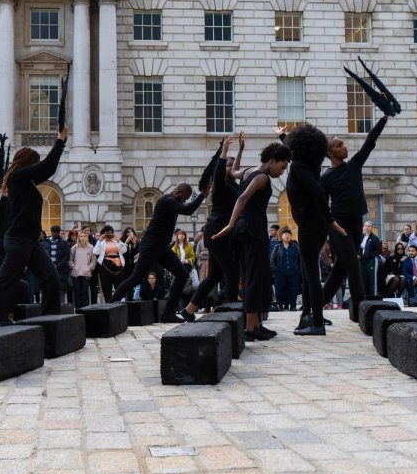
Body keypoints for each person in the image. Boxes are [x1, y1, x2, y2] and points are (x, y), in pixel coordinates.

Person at [0, 125, 68, 329]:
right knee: (3, 284)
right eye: (34, 164)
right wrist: (60, 141)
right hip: (18, 241)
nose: (36, 167)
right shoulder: (19, 176)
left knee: (51, 278)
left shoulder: (24, 179)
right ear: (28, 163)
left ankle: (49, 325)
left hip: (29, 241)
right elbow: (49, 167)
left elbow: (44, 169)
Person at [214, 142, 292, 341]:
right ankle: (250, 328)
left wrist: (239, 150)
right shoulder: (262, 178)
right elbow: (242, 199)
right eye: (282, 167)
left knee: (252, 275)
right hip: (252, 230)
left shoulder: (250, 172)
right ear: (272, 160)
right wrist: (230, 224)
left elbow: (234, 171)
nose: (282, 172)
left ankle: (256, 324)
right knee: (255, 278)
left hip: (245, 230)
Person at [319, 113, 389, 319]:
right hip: (338, 226)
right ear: (331, 152)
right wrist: (327, 233)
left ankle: (314, 308)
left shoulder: (354, 165)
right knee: (353, 265)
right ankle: (361, 313)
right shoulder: (326, 177)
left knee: (340, 272)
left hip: (356, 223)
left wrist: (383, 118)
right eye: (340, 145)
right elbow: (323, 207)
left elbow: (370, 140)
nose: (345, 147)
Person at [111, 182, 207, 322]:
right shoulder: (167, 200)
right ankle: (110, 303)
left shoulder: (172, 201)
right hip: (150, 246)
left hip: (162, 248)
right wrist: (203, 195)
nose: (185, 201)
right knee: (136, 278)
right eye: (185, 198)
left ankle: (168, 314)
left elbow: (185, 208)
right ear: (179, 193)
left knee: (182, 274)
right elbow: (188, 210)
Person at [281, 123, 342, 335]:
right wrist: (283, 137)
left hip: (310, 223)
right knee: (309, 273)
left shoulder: (298, 166)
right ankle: (308, 314)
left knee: (311, 274)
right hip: (318, 224)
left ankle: (315, 321)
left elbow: (317, 191)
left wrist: (331, 218)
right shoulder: (311, 166)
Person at [184, 134, 242, 318]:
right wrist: (224, 151)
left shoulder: (236, 186)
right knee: (232, 273)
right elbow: (219, 171)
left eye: (233, 165)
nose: (230, 167)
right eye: (227, 164)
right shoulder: (221, 185)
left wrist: (240, 149)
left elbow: (236, 169)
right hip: (217, 232)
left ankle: (189, 310)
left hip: (221, 233)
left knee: (215, 276)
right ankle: (232, 313)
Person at [270, 227, 301, 311]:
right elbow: (272, 260)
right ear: (281, 236)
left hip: (293, 272)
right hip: (280, 272)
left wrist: (298, 269)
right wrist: (275, 270)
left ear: (291, 236)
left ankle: (293, 306)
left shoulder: (295, 246)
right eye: (285, 234)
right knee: (279, 290)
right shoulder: (277, 246)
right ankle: (280, 305)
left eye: (289, 234)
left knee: (293, 289)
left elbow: (300, 258)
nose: (287, 236)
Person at [93, 225, 127, 302]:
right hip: (105, 266)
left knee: (119, 285)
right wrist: (99, 240)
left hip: (118, 265)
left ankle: (120, 302)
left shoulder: (116, 241)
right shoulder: (101, 242)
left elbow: (124, 250)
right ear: (103, 234)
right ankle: (108, 303)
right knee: (106, 286)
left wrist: (119, 240)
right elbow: (95, 252)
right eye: (106, 234)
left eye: (110, 233)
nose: (109, 235)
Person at [42, 226, 71, 304]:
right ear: (51, 232)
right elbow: (42, 256)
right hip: (48, 270)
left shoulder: (64, 243)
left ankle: (61, 309)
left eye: (56, 232)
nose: (55, 234)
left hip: (61, 271)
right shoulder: (45, 242)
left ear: (59, 233)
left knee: (61, 290)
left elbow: (66, 257)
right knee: (48, 289)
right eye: (53, 232)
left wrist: (57, 266)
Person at [69, 230, 96, 307]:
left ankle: (86, 309)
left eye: (84, 236)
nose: (83, 238)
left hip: (86, 273)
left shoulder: (91, 247)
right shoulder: (74, 248)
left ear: (87, 237)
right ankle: (77, 309)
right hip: (76, 273)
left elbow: (93, 261)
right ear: (79, 237)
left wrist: (89, 268)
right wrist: (73, 267)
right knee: (77, 292)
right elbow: (70, 260)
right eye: (81, 236)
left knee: (85, 292)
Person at [359, 222, 382, 296]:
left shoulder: (375, 238)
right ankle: (365, 297)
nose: (367, 227)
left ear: (371, 228)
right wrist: (358, 255)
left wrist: (369, 255)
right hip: (362, 261)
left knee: (372, 279)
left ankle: (373, 296)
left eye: (368, 226)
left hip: (371, 261)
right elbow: (358, 248)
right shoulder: (361, 237)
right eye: (365, 226)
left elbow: (378, 250)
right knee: (363, 279)